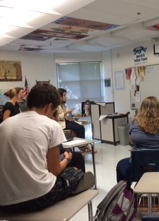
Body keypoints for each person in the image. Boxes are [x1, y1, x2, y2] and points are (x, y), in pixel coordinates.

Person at [0, 83, 94, 212]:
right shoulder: (50, 125)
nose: (52, 116)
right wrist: (67, 159)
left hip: (4, 201)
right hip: (36, 198)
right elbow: (54, 172)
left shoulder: (4, 125)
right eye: (54, 111)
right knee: (75, 172)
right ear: (49, 107)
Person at [116, 96, 159, 183]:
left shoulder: (135, 123)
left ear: (141, 108)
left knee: (120, 164)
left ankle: (127, 192)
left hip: (139, 169)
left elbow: (131, 142)